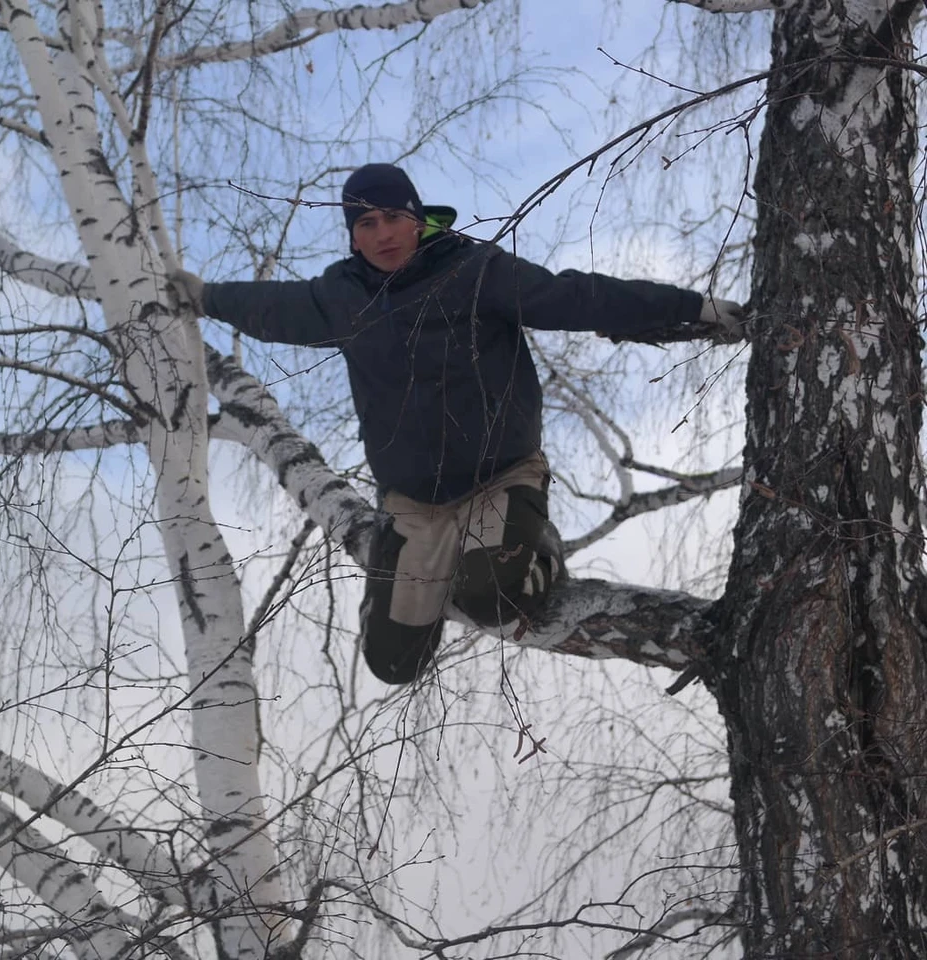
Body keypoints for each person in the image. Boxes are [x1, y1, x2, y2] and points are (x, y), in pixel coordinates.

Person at [169, 163, 743, 685]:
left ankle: (538, 546)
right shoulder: (342, 298)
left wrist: (688, 308)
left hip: (499, 477)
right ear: (351, 234)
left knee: (497, 598)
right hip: (415, 504)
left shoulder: (473, 271)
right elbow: (269, 308)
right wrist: (204, 297)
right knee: (393, 663)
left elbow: (579, 297)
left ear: (418, 218)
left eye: (393, 217)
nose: (382, 234)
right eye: (365, 223)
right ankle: (393, 572)